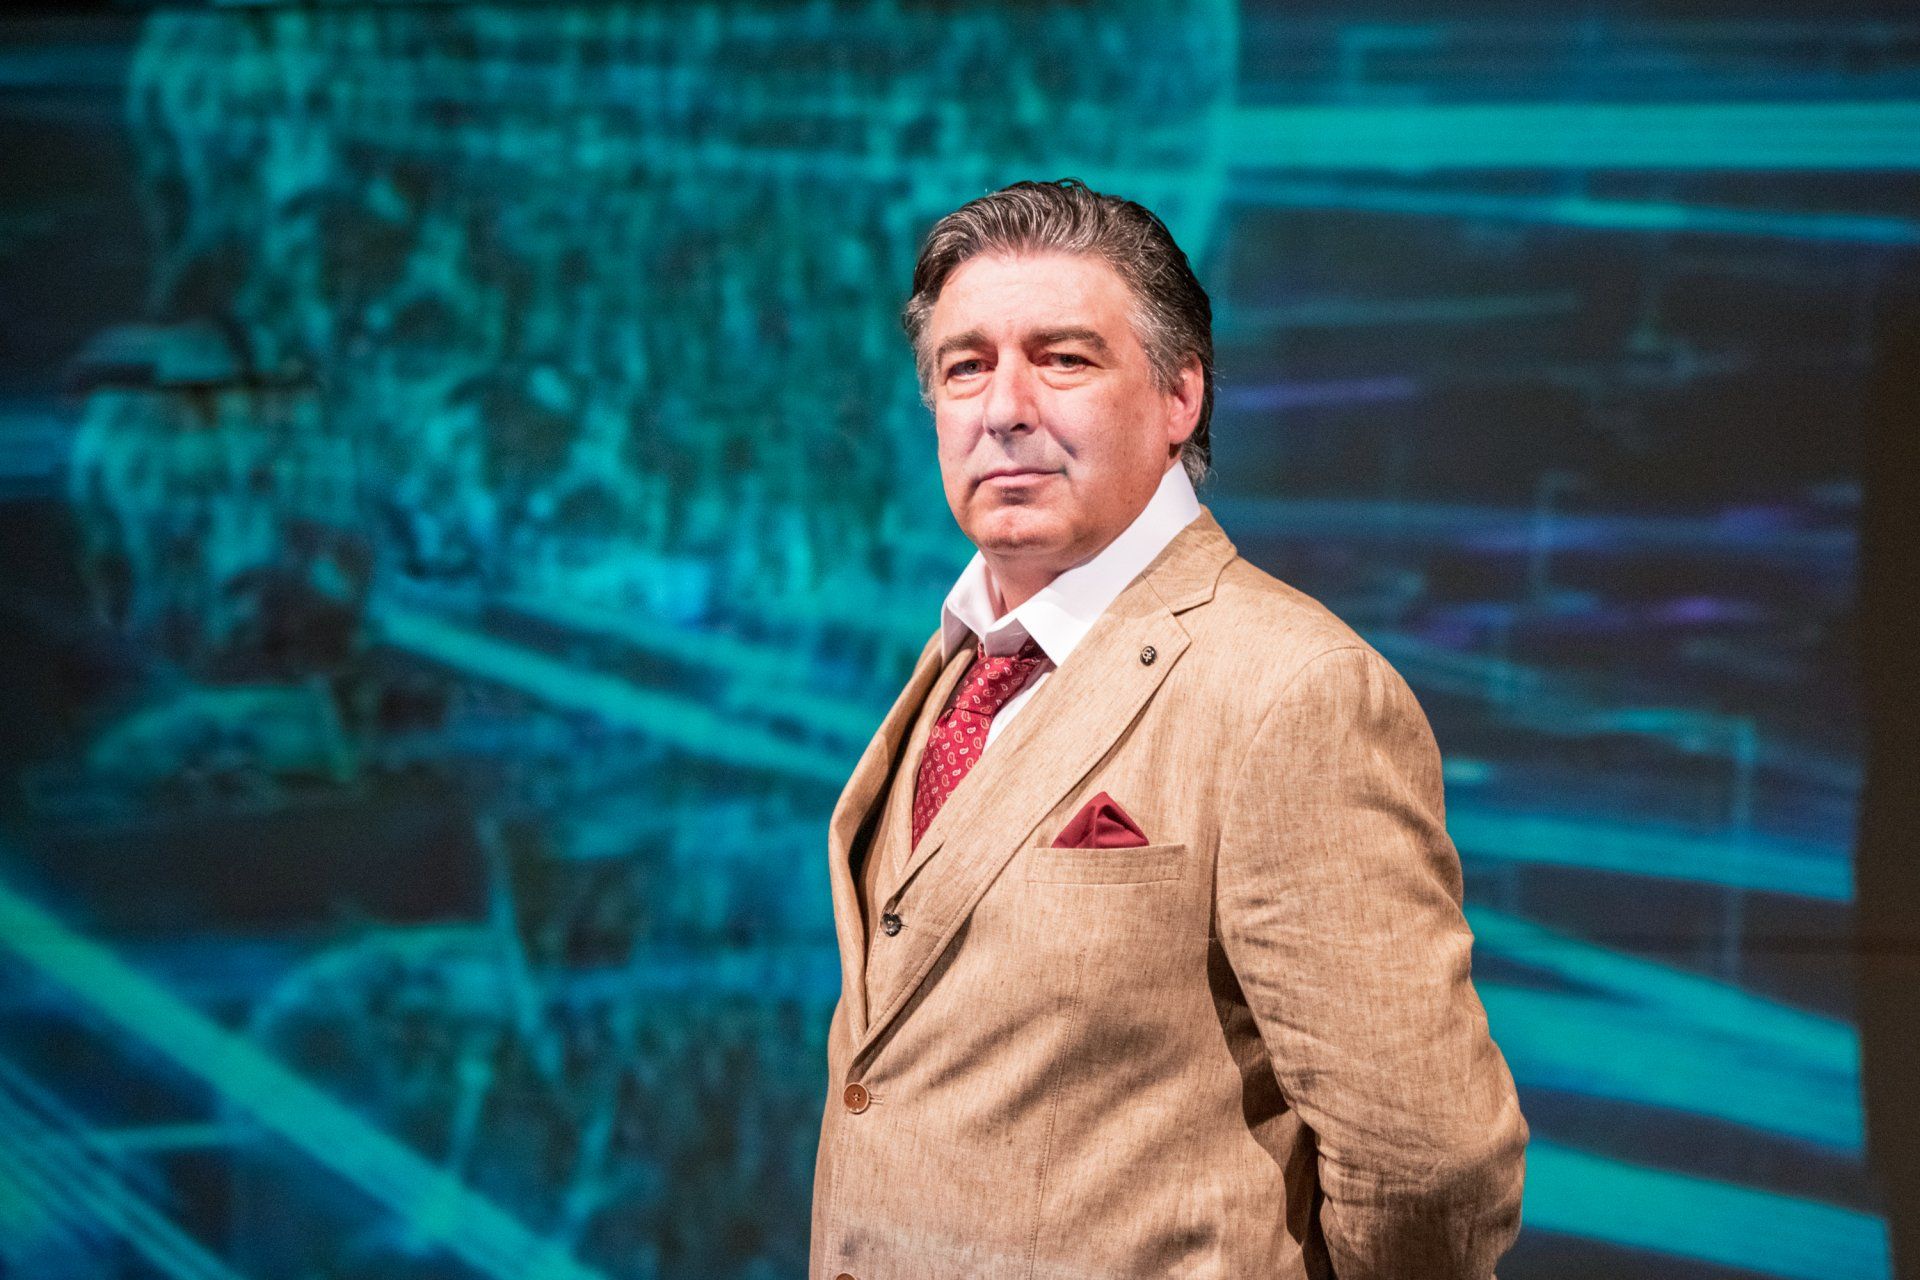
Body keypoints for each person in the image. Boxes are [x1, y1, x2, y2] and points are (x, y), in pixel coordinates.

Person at [810, 179, 1527, 1280]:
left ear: (1180, 392)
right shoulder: (961, 662)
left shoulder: (1293, 690)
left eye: (1062, 359)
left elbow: (1431, 1159)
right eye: (965, 367)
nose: (1004, 407)